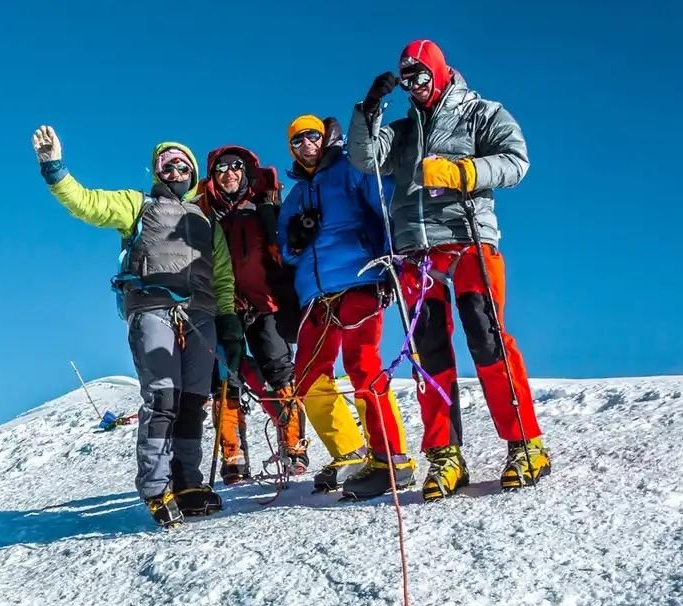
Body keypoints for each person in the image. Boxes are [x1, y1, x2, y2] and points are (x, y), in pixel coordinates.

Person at [347, 40, 552, 498]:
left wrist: (462, 173)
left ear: (438, 72)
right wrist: (369, 110)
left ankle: (525, 443)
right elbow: (364, 158)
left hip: (468, 242)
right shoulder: (400, 132)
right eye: (406, 82)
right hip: (416, 254)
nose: (415, 88)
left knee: (486, 337)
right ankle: (445, 453)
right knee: (429, 351)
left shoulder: (481, 113)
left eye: (421, 77)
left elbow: (517, 162)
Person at [32, 124, 237, 527]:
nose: (175, 171)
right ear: (157, 171)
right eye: (167, 164)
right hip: (153, 308)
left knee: (194, 401)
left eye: (183, 165)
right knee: (163, 398)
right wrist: (54, 169)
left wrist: (228, 322)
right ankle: (157, 486)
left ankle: (188, 482)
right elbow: (87, 203)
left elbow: (223, 277)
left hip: (201, 316)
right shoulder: (137, 205)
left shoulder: (209, 223)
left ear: (194, 174)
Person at [278, 114, 412, 497]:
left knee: (362, 365)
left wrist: (392, 261)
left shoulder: (350, 170)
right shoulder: (294, 197)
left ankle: (391, 459)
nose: (306, 144)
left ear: (325, 139)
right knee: (306, 376)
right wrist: (297, 241)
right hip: (317, 295)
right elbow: (287, 252)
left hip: (360, 280)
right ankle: (350, 452)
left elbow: (384, 206)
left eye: (312, 137)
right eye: (298, 139)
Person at [195, 145, 309, 482]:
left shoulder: (264, 210)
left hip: (266, 303)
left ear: (246, 173)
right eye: (221, 168)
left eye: (236, 167)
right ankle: (234, 457)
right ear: (212, 176)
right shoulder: (203, 216)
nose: (229, 173)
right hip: (223, 308)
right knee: (225, 380)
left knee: (280, 374)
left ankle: (295, 447)